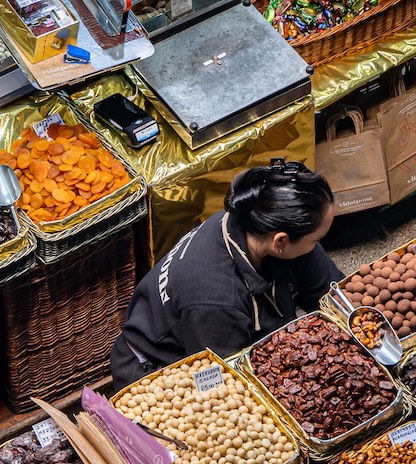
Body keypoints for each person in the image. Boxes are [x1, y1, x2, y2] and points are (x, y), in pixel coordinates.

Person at [110, 158, 342, 389]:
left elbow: (333, 297)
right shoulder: (216, 300)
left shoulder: (253, 218)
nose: (316, 246)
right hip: (156, 369)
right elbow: (217, 382)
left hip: (208, 328)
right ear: (279, 242)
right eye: (316, 240)